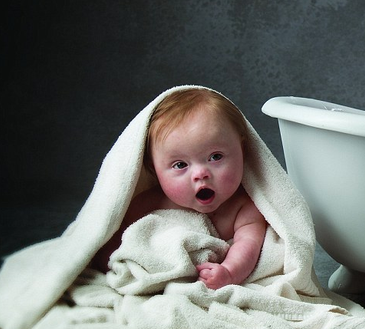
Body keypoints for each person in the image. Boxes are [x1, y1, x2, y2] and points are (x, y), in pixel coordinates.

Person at [93, 88, 267, 290]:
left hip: (209, 282)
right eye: (180, 165)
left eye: (216, 157)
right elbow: (115, 241)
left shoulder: (244, 208)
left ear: (243, 151)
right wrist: (114, 262)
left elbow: (249, 246)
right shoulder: (150, 203)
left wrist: (228, 272)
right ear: (153, 169)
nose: (201, 173)